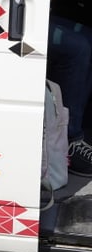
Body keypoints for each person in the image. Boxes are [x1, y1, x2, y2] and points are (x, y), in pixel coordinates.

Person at [47, 10, 92, 176]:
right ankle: (69, 141)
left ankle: (82, 132)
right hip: (0, 17)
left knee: (89, 37)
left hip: (35, 12)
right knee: (78, 48)